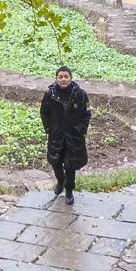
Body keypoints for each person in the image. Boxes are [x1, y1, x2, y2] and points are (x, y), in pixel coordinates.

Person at [40, 65, 91, 202]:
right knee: (56, 162)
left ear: (71, 78)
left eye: (66, 77)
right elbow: (44, 113)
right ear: (56, 78)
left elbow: (86, 114)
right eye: (60, 77)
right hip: (56, 135)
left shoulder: (80, 94)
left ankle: (69, 190)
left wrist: (80, 130)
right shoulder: (50, 94)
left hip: (73, 136)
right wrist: (49, 129)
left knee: (70, 166)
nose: (63, 80)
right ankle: (60, 181)